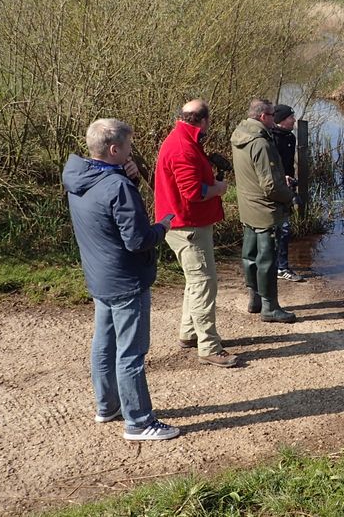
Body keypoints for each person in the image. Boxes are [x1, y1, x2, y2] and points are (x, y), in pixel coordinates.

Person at [62, 118, 179, 441]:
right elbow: (138, 239)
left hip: (99, 276)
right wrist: (163, 226)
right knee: (131, 352)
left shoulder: (80, 178)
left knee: (104, 344)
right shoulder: (117, 187)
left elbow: (108, 213)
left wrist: (125, 180)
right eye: (128, 147)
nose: (131, 153)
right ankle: (139, 422)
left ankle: (108, 406)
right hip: (127, 279)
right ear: (114, 149)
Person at [154, 99, 239, 368]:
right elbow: (193, 192)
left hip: (184, 223)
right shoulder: (183, 147)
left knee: (195, 281)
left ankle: (189, 334)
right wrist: (218, 189)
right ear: (204, 120)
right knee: (204, 283)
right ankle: (209, 346)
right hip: (187, 226)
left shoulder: (183, 139)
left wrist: (211, 182)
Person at [231, 98, 297, 324]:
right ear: (262, 117)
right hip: (265, 210)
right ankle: (270, 307)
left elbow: (252, 173)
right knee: (267, 259)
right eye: (271, 115)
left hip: (247, 205)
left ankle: (255, 298)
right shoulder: (261, 143)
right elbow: (270, 186)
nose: (274, 119)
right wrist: (289, 196)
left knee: (250, 254)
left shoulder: (240, 133)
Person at [270, 104, 306, 283]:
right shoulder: (270, 139)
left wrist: (291, 180)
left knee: (284, 228)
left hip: (287, 188)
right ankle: (280, 267)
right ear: (281, 121)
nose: (293, 120)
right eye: (290, 117)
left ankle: (279, 264)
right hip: (274, 188)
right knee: (281, 229)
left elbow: (289, 165)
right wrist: (280, 178)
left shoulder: (290, 137)